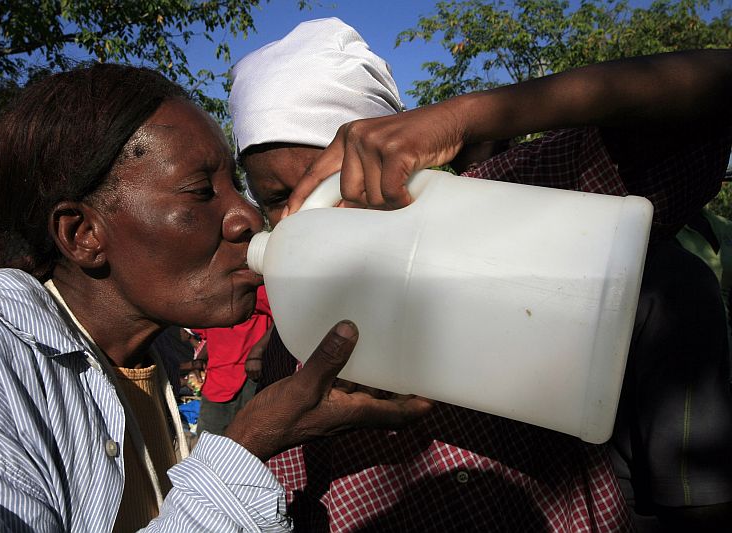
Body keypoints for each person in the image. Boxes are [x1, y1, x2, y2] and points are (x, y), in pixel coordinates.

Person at [231, 18, 732, 532]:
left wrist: (463, 117)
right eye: (278, 199)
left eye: (334, 183)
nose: (305, 219)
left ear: (393, 157)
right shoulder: (292, 352)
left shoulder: (512, 202)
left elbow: (717, 84)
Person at [0, 63, 433, 531]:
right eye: (200, 191)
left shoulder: (156, 352)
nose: (248, 218)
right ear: (83, 234)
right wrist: (248, 444)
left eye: (235, 186)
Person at [193, 285, 273, 435]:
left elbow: (282, 318)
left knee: (247, 440)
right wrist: (201, 358)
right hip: (217, 379)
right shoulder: (208, 292)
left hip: (250, 377)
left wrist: (258, 351)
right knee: (208, 443)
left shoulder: (253, 288)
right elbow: (211, 334)